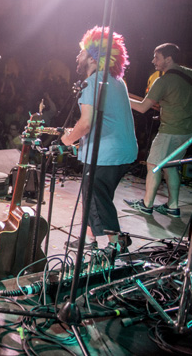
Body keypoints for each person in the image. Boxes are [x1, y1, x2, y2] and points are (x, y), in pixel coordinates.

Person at [60, 26, 137, 260]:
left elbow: (85, 124)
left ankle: (116, 244)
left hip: (106, 153)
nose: (78, 56)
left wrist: (68, 139)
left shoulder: (93, 82)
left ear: (93, 58)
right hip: (123, 151)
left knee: (96, 196)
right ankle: (88, 238)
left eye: (82, 52)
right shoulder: (116, 81)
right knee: (94, 196)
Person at [126, 43, 192, 218]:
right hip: (190, 131)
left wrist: (122, 97)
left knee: (154, 165)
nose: (153, 61)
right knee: (170, 166)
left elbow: (142, 107)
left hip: (171, 130)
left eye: (157, 57)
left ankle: (146, 205)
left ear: (168, 58)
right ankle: (172, 207)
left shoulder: (163, 81)